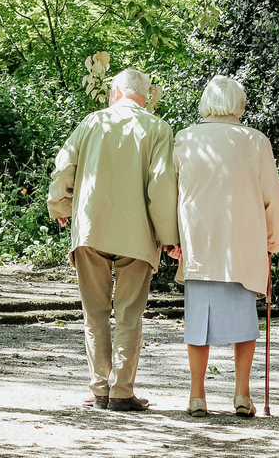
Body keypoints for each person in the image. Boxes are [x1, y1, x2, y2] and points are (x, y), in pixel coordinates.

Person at [47, 68, 179, 412]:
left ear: (115, 92)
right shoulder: (158, 129)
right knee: (129, 314)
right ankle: (121, 391)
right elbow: (162, 185)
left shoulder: (91, 123)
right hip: (137, 234)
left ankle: (99, 388)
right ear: (145, 96)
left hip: (92, 228)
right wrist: (169, 236)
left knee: (94, 313)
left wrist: (60, 205)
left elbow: (64, 168)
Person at [170, 75, 279, 418]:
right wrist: (272, 238)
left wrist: (172, 239)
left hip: (199, 244)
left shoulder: (185, 139)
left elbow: (170, 194)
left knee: (197, 323)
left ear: (206, 102)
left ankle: (197, 395)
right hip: (242, 245)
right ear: (240, 104)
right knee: (244, 322)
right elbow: (275, 200)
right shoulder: (255, 142)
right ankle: (241, 394)